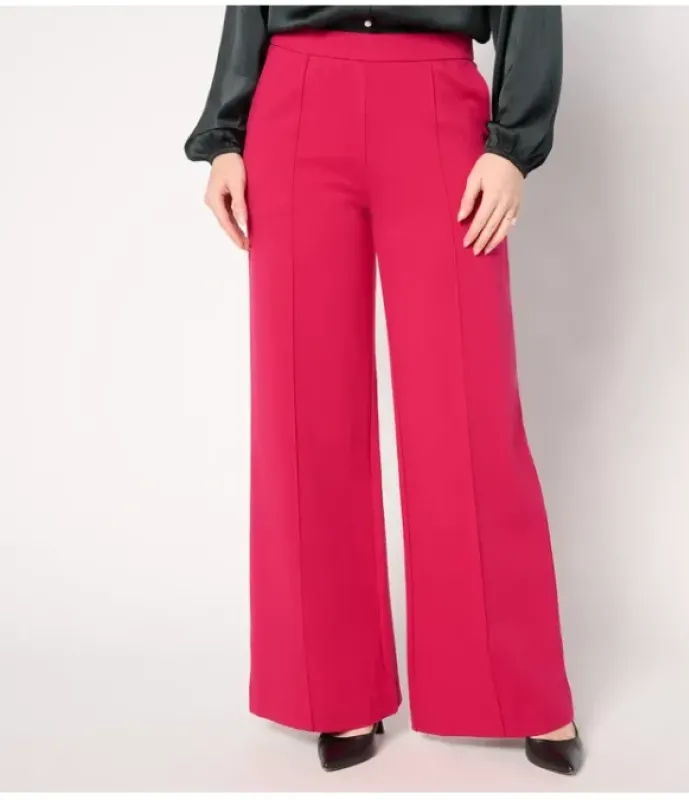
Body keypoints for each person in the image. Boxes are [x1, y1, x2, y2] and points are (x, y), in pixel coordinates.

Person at [185, 5, 584, 776]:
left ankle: (518, 688)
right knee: (303, 409)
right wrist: (225, 135)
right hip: (294, 97)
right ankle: (334, 689)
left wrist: (513, 144)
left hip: (434, 96)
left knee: (466, 410)